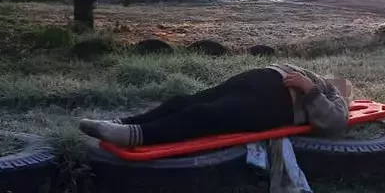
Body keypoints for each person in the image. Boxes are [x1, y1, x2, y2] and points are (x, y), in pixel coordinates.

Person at [79, 65, 354, 147]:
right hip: (258, 81)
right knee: (183, 101)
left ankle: (136, 136)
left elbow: (334, 123)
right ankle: (125, 122)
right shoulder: (318, 78)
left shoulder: (334, 95)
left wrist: (310, 88)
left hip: (275, 104)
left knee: (205, 115)